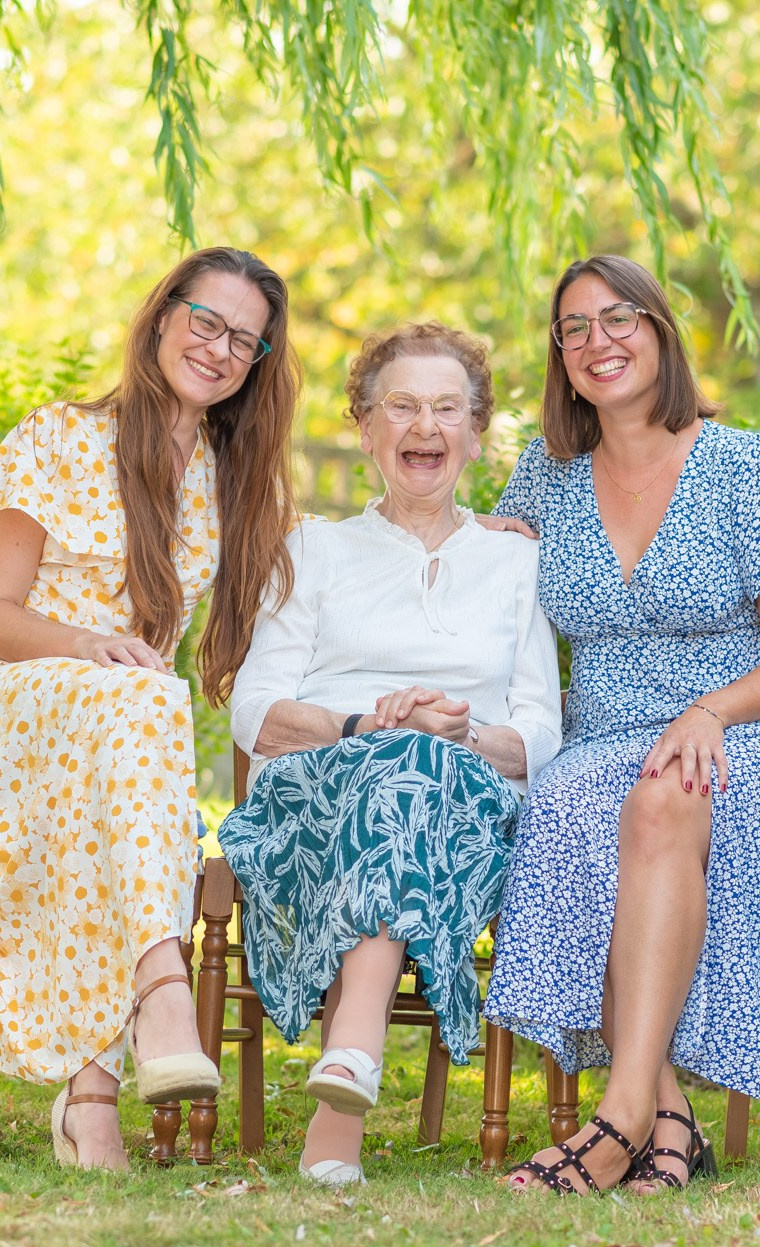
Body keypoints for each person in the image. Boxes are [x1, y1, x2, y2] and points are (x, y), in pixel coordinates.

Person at [482, 254, 760, 1195]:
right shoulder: (548, 476)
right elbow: (479, 590)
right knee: (571, 803)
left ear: (659, 331)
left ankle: (619, 1120)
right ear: (561, 358)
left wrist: (706, 712)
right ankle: (673, 1121)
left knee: (664, 793)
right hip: (603, 736)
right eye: (574, 329)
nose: (597, 342)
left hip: (755, 730)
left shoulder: (749, 466)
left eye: (618, 320)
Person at [0, 248, 301, 1170]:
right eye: (205, 321)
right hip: (9, 712)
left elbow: (320, 579)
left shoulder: (230, 473)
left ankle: (90, 1103)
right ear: (164, 315)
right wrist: (90, 646)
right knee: (145, 700)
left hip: (125, 745)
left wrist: (466, 523)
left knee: (143, 742)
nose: (218, 348)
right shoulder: (56, 436)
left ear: (255, 365)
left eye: (242, 340)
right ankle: (162, 988)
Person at [218, 322, 562, 1186]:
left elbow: (542, 732)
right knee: (395, 771)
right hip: (321, 798)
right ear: (367, 428)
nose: (426, 425)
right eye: (401, 406)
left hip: (465, 800)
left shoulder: (518, 562)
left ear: (476, 436)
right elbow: (253, 711)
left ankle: (345, 1083)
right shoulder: (312, 550)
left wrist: (462, 734)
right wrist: (365, 728)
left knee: (418, 772)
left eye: (449, 408)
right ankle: (352, 1069)